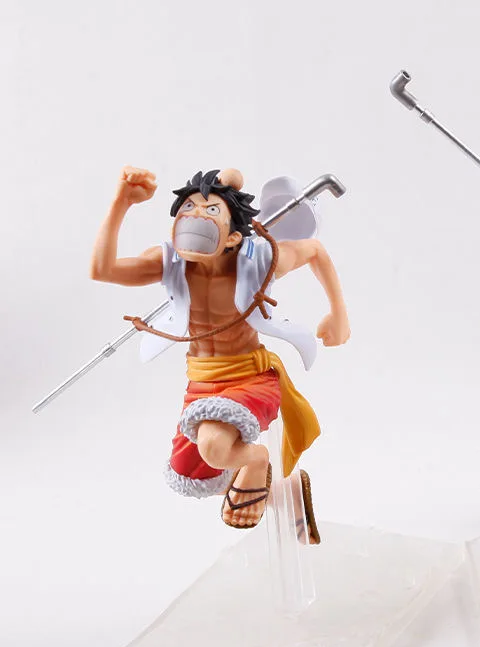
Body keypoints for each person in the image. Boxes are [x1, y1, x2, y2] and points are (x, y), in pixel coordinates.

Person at [90, 166, 350, 534]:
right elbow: (103, 270)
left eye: (211, 210)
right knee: (191, 471)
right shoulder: (170, 263)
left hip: (251, 377)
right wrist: (122, 203)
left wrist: (339, 315)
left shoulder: (258, 261)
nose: (196, 215)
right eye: (188, 208)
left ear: (233, 236)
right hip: (201, 382)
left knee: (214, 447)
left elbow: (314, 251)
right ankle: (286, 495)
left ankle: (258, 459)